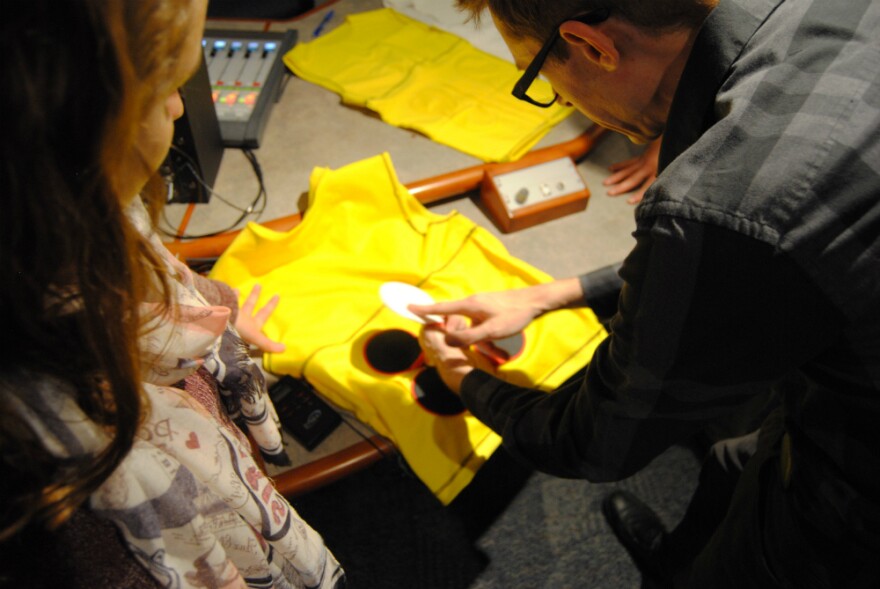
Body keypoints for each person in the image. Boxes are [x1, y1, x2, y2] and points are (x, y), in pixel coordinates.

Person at [412, 0, 880, 586]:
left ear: (591, 46)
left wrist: (464, 377)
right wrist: (557, 292)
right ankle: (673, 562)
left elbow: (595, 441)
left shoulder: (726, 205)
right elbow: (761, 255)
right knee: (729, 461)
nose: (558, 100)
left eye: (542, 79)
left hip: (858, 490)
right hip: (836, 375)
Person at [0, 1, 344, 587]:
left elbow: (155, 278)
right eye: (166, 85)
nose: (180, 106)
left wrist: (226, 313)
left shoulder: (74, 219)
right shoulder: (78, 517)